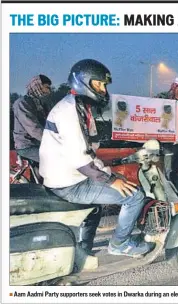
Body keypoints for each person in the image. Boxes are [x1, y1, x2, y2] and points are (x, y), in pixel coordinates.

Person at [39, 59, 150, 258]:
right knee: (135, 196)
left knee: (121, 184)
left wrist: (108, 172)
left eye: (104, 85)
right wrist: (110, 179)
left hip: (67, 176)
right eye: (98, 84)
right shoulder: (68, 112)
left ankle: (83, 251)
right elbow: (81, 160)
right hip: (69, 183)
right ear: (83, 82)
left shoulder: (78, 107)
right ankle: (120, 244)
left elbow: (87, 151)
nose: (103, 90)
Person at [13, 75, 53, 183]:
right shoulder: (22, 103)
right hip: (26, 145)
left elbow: (49, 122)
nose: (49, 90)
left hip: (38, 143)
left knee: (40, 174)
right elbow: (33, 128)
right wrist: (52, 140)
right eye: (46, 87)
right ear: (38, 86)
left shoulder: (40, 103)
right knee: (52, 159)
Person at [157, 77, 178, 191]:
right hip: (169, 141)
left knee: (177, 167)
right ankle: (168, 191)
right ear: (173, 88)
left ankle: (176, 190)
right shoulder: (166, 101)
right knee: (168, 168)